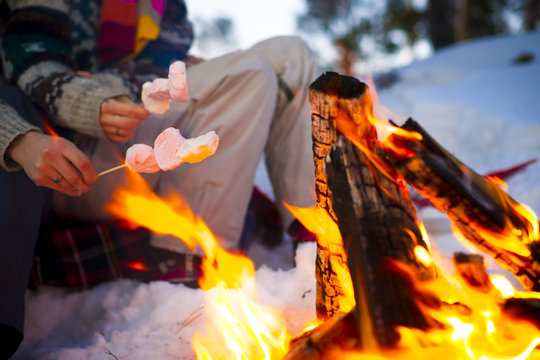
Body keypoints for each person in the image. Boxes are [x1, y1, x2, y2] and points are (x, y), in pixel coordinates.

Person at [0, 0, 319, 357]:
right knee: (248, 74)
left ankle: (316, 248)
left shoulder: (163, 6)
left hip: (126, 115)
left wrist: (120, 83)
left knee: (291, 53)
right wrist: (93, 98)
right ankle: (194, 272)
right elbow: (30, 64)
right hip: (60, 152)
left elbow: (159, 68)